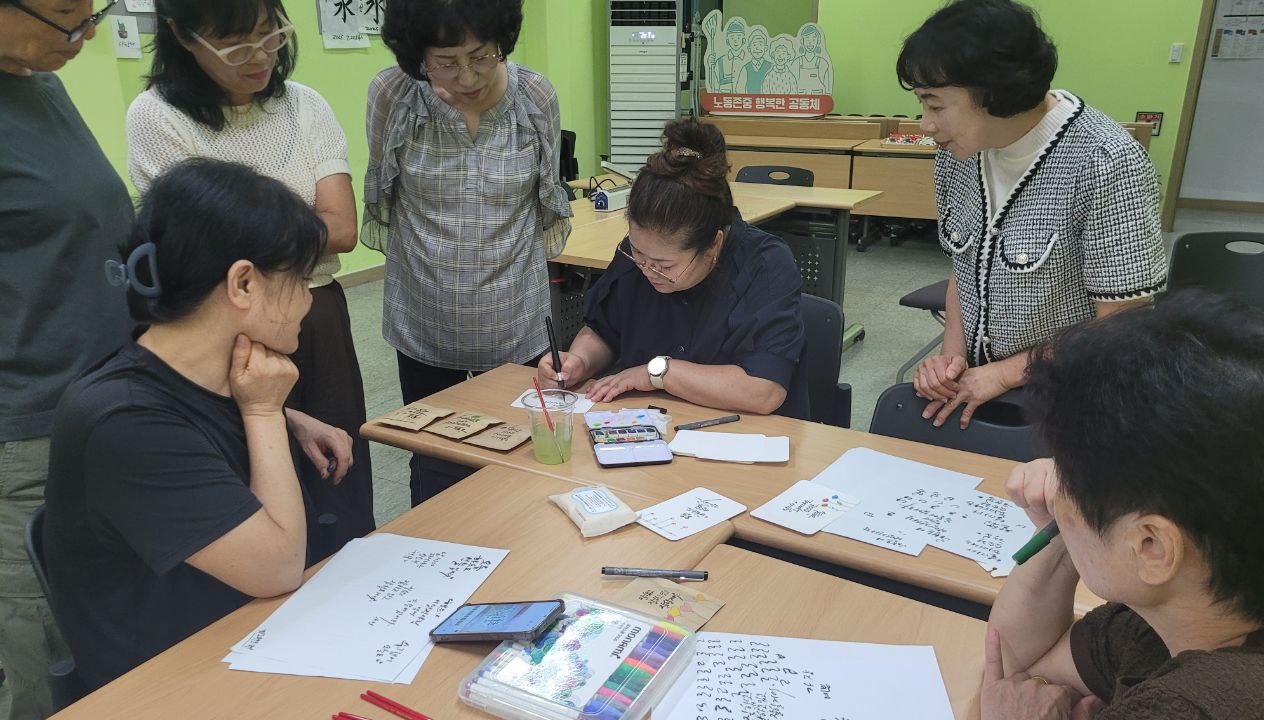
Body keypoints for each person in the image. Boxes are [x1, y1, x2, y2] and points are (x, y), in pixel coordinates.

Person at [43, 159, 323, 691]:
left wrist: (289, 417)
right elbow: (278, 568)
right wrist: (264, 413)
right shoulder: (123, 423)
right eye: (302, 280)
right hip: (173, 684)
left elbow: (194, 418)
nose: (309, 301)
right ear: (243, 282)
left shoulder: (191, 373)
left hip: (250, 636)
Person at [126, 0, 371, 548]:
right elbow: (203, 250)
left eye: (271, 34)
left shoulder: (305, 106)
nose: (261, 56)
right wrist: (300, 229)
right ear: (183, 37)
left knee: (341, 470)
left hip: (317, 314)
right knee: (251, 475)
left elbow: (342, 228)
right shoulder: (157, 116)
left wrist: (251, 237)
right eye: (236, 45)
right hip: (227, 328)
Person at [983, 291, 1264, 720]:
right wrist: (1063, 525)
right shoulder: (1179, 615)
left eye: (1065, 476)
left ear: (1152, 546)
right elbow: (1017, 671)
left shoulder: (1185, 707)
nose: (1050, 487)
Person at [898, 0, 1168, 429]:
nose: (925, 124)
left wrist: (1004, 374)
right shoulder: (959, 152)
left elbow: (1123, 324)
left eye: (935, 105)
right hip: (980, 386)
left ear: (995, 93)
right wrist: (952, 356)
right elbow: (963, 265)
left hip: (1077, 398)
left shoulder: (1106, 160)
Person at [367, 0, 572, 503]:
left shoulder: (535, 96)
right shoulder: (393, 95)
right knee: (433, 453)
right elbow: (384, 194)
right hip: (424, 313)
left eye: (481, 56)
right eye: (445, 61)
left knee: (519, 453)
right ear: (417, 54)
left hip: (513, 317)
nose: (466, 76)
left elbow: (545, 203)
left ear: (502, 40)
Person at [0, 2, 134, 716]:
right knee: (47, 646)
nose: (86, 35)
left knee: (118, 615)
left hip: (108, 400)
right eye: (65, 17)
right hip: (27, 425)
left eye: (93, 13)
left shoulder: (40, 81)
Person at [538, 119, 809, 420]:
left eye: (665, 265)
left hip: (740, 435)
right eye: (637, 252)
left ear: (714, 245)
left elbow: (763, 391)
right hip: (644, 427)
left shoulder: (765, 266)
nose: (647, 269)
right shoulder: (639, 256)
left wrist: (659, 372)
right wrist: (579, 361)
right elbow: (604, 330)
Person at [794, 24, 832, 95]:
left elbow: (827, 89)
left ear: (818, 41)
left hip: (817, 102)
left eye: (813, 39)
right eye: (807, 39)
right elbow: (792, 86)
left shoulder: (823, 63)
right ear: (802, 41)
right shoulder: (797, 62)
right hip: (801, 103)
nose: (810, 43)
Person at [734, 28, 772, 94]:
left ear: (765, 48)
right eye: (754, 45)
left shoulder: (771, 67)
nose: (757, 48)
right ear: (749, 48)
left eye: (760, 44)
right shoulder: (745, 68)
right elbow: (739, 89)